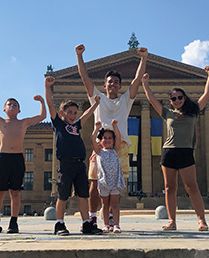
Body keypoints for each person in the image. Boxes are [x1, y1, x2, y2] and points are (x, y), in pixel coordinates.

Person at [75, 44, 148, 226]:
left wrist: (143, 59)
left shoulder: (125, 100)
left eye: (116, 82)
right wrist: (79, 56)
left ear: (119, 85)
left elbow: (137, 79)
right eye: (110, 81)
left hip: (119, 146)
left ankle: (111, 218)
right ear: (105, 84)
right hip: (100, 147)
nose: (113, 84)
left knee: (115, 187)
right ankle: (93, 217)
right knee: (94, 183)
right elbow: (85, 78)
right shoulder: (97, 98)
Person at [141, 66, 209, 231]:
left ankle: (202, 220)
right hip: (169, 152)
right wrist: (145, 83)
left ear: (184, 98)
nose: (177, 100)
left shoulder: (193, 112)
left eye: (179, 97)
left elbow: (207, 93)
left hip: (186, 151)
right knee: (169, 188)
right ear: (170, 101)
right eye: (174, 99)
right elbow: (152, 99)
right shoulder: (168, 113)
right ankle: (172, 221)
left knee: (191, 186)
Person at [0, 89, 46, 233]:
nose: (12, 106)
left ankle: (13, 223)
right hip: (3, 158)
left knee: (15, 192)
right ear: (4, 109)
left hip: (17, 159)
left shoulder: (23, 122)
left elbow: (42, 116)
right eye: (9, 104)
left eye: (15, 105)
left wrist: (42, 102)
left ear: (19, 110)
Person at [44, 76, 103, 236]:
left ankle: (86, 224)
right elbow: (50, 104)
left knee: (83, 195)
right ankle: (59, 224)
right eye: (69, 112)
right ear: (62, 113)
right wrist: (47, 87)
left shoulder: (76, 125)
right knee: (63, 195)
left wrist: (96, 104)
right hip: (66, 164)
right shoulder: (59, 124)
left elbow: (87, 114)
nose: (72, 115)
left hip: (79, 164)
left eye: (75, 113)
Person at [90, 120, 125, 233]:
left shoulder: (115, 150)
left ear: (113, 141)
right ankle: (105, 225)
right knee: (105, 205)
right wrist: (96, 128)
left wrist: (115, 127)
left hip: (114, 181)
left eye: (110, 138)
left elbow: (119, 138)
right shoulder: (99, 151)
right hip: (104, 182)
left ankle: (116, 225)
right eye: (105, 138)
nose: (107, 140)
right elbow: (92, 139)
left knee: (114, 204)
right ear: (100, 141)